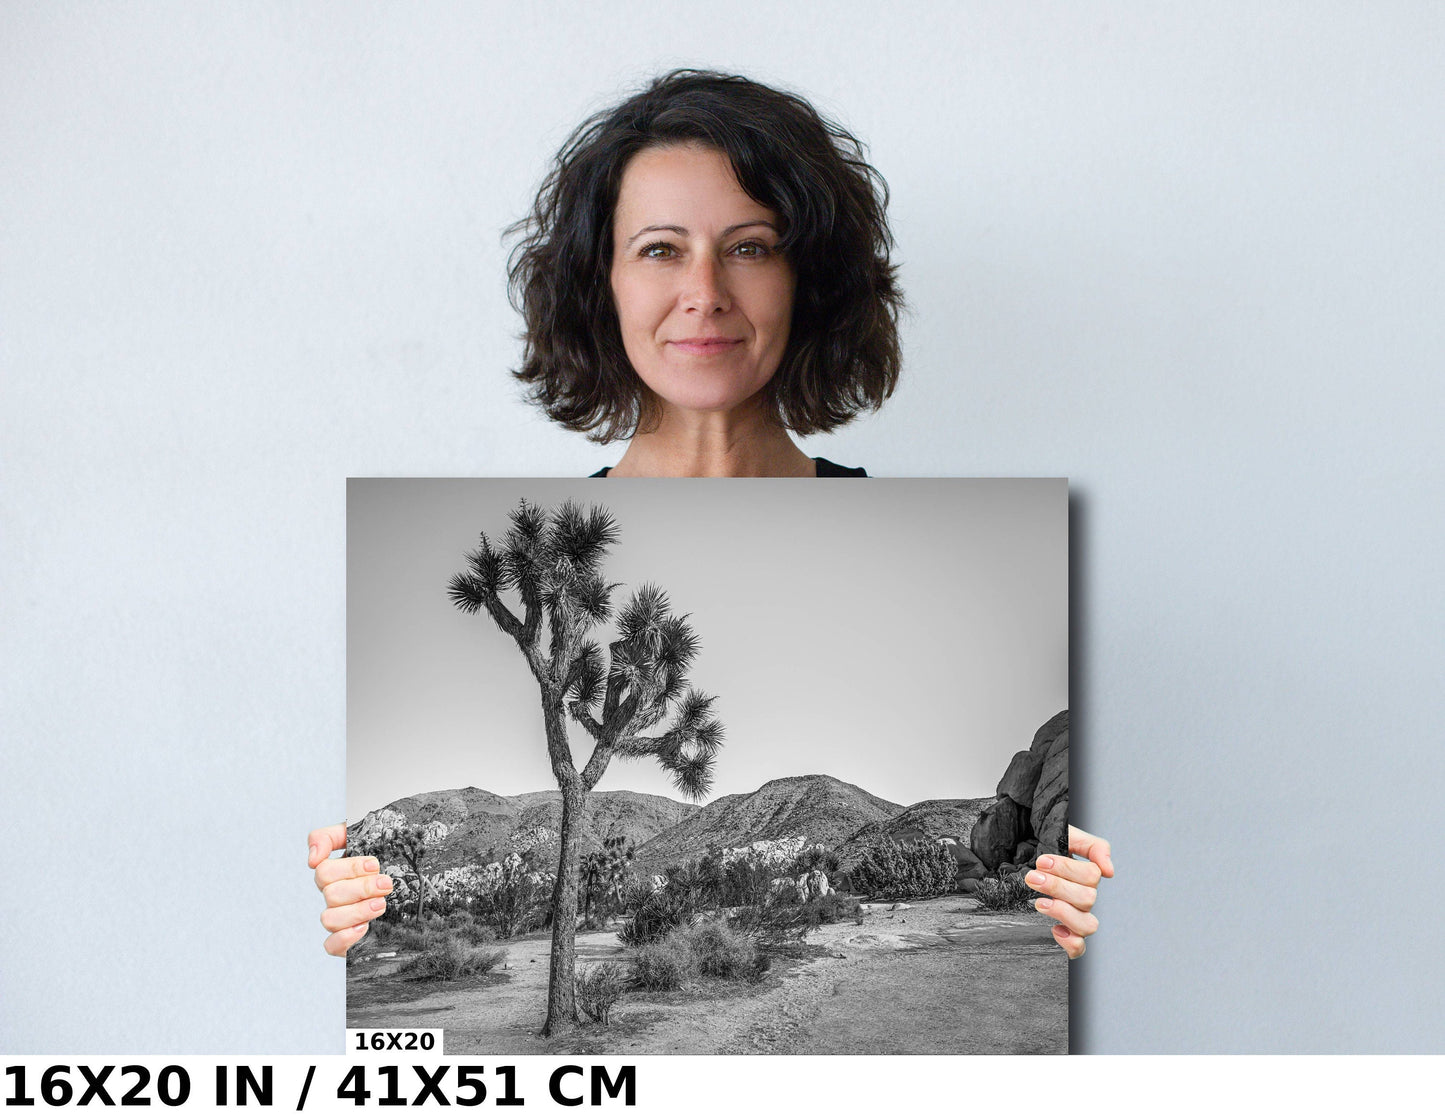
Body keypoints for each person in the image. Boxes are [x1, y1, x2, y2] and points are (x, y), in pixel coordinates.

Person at [310, 69, 1113, 961]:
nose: (705, 291)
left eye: (751, 246)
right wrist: (328, 935)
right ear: (600, 281)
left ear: (808, 280)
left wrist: (1102, 919)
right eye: (659, 248)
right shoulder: (541, 560)